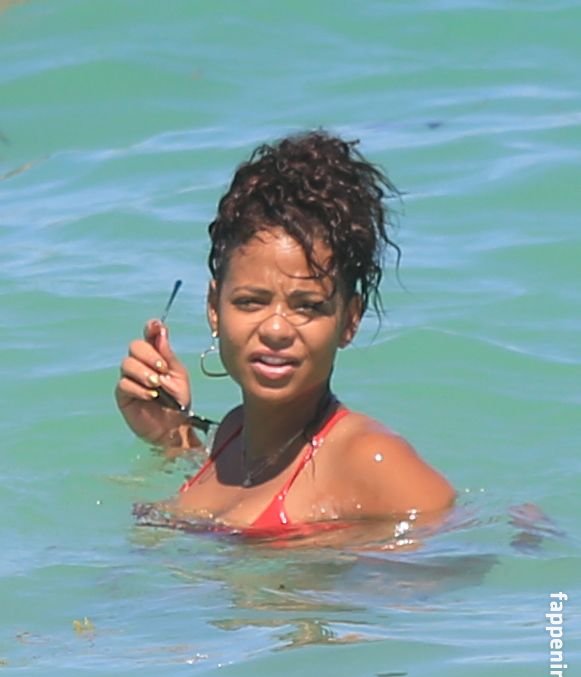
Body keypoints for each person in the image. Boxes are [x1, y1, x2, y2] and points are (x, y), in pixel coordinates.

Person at [115, 130, 455, 535]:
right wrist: (173, 437)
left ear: (350, 320)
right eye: (250, 302)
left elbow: (466, 552)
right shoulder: (232, 435)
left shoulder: (368, 459)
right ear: (214, 308)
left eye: (307, 306)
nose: (276, 329)